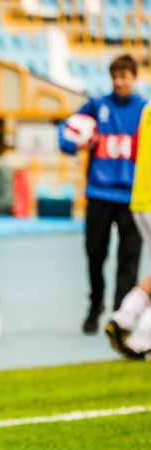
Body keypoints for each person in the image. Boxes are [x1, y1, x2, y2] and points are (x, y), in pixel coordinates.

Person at [59, 54, 147, 334]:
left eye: (124, 76)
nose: (119, 82)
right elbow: (65, 133)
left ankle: (119, 314)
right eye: (115, 76)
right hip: (99, 193)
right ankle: (95, 303)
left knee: (128, 259)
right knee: (95, 253)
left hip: (131, 199)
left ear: (135, 77)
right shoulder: (97, 106)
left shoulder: (144, 110)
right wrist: (78, 143)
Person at [105, 98, 151, 359]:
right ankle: (143, 337)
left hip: (140, 199)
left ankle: (125, 316)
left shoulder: (147, 108)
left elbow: (134, 151)